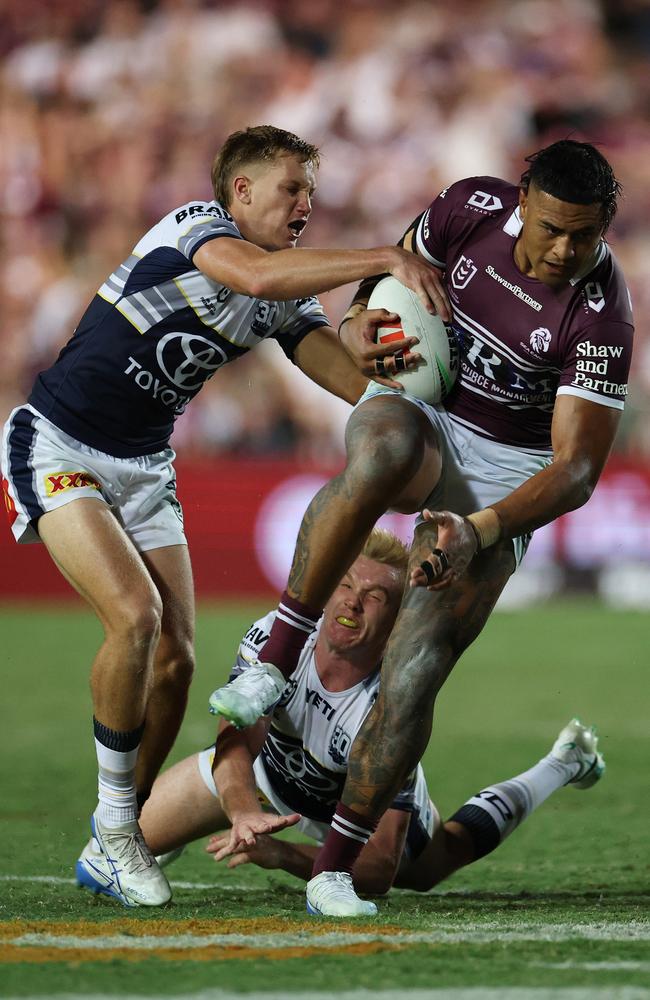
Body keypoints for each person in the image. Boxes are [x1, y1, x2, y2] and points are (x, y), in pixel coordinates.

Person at [0, 125, 444, 909]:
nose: (306, 204)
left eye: (311, 190)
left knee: (176, 660)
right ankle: (116, 826)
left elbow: (343, 378)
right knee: (135, 620)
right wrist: (385, 257)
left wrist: (397, 385)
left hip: (143, 468)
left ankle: (116, 838)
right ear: (239, 192)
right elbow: (256, 280)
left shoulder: (285, 292)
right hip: (59, 441)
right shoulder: (196, 231)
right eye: (291, 189)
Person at [208, 139, 633, 916]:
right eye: (550, 229)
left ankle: (335, 869)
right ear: (519, 201)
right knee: (382, 453)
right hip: (424, 404)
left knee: (413, 667)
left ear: (607, 226)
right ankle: (274, 659)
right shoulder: (468, 207)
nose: (565, 251)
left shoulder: (602, 312)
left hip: (508, 468)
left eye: (586, 236)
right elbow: (391, 276)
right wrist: (360, 318)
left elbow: (574, 471)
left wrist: (479, 528)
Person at [76, 529, 604, 909]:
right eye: (346, 585)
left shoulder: (394, 702)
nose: (352, 603)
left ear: (397, 620)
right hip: (263, 783)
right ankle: (177, 839)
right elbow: (235, 745)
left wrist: (280, 854)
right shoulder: (274, 639)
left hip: (349, 818)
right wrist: (242, 813)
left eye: (375, 597)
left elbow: (375, 871)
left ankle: (562, 762)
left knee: (438, 860)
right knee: (101, 859)